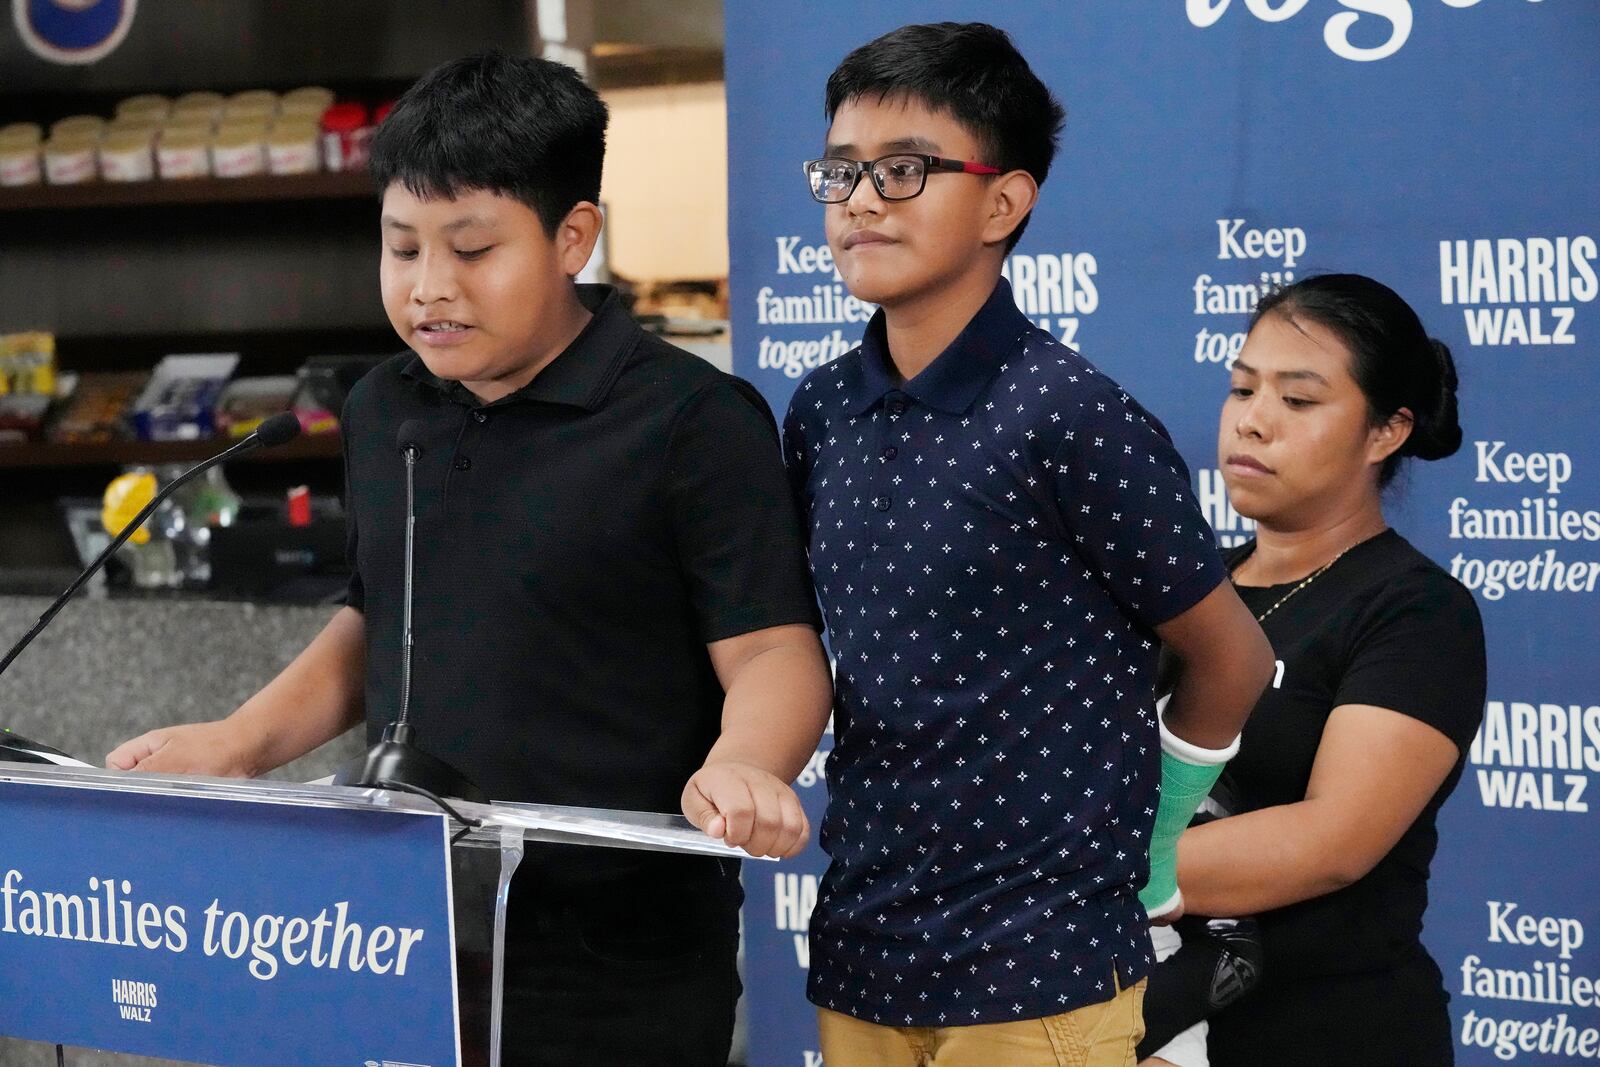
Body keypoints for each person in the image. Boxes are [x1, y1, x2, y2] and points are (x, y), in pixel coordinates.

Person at [106, 51, 833, 1067]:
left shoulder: (690, 419)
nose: (429, 288)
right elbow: (379, 615)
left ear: (572, 237)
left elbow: (770, 650)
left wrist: (746, 762)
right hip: (401, 929)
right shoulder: (383, 408)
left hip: (615, 957)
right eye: (401, 248)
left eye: (473, 248)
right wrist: (239, 741)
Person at [782, 22, 1274, 1067]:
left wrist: (1154, 845)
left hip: (1039, 966)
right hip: (864, 947)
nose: (859, 199)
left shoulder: (1068, 415)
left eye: (903, 170)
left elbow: (1232, 655)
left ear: (1003, 202)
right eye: (841, 171)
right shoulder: (821, 410)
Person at [1140, 273, 1486, 1067]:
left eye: (1298, 401)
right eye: (1241, 388)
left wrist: (1081, 867)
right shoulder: (1183, 594)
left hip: (1334, 1035)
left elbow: (1333, 840)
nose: (1252, 422)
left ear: (1386, 431)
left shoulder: (1418, 610)